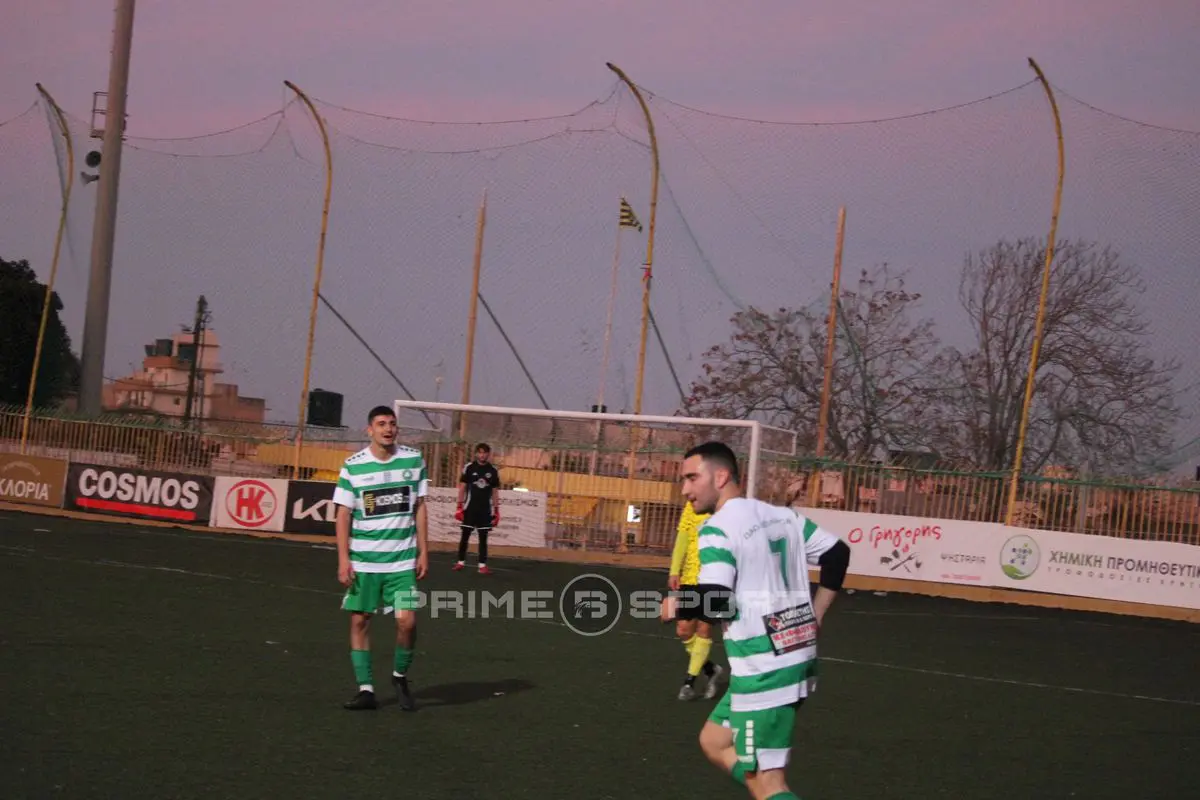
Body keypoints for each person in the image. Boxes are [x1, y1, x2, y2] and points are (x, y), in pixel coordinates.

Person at [682, 442, 851, 800]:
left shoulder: (717, 528)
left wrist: (678, 604)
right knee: (714, 741)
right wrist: (817, 614)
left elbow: (715, 603)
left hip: (764, 670)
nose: (685, 489)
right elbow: (837, 553)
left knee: (768, 783)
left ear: (721, 476)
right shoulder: (784, 516)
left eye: (692, 478)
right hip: (794, 658)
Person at [333, 405, 430, 711]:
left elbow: (420, 507)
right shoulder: (353, 466)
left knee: (407, 622)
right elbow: (343, 515)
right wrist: (343, 559)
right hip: (364, 561)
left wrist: (424, 550)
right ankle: (366, 690)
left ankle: (399, 676)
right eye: (381, 424)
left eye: (392, 423)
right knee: (360, 620)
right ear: (369, 430)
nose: (388, 429)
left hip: (402, 561)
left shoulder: (414, 460)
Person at [666, 500, 725, 700]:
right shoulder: (692, 504)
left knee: (704, 629)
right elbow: (683, 537)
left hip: (717, 577)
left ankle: (689, 683)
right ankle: (710, 669)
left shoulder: (728, 506)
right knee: (683, 630)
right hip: (690, 577)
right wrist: (675, 570)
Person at [453, 442, 501, 574]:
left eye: (485, 453)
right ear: (476, 454)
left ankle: (482, 565)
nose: (482, 455)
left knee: (483, 539)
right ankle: (460, 562)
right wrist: (459, 506)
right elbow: (462, 487)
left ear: (488, 454)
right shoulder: (469, 467)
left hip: (485, 510)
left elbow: (495, 492)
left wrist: (496, 510)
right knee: (465, 536)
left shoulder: (493, 470)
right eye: (480, 452)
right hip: (470, 508)